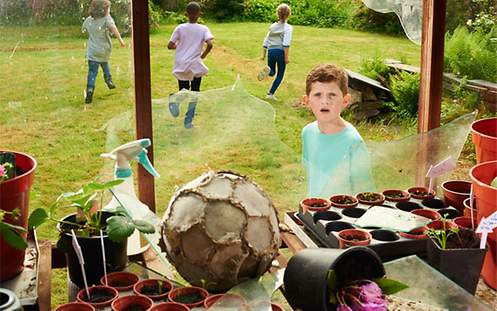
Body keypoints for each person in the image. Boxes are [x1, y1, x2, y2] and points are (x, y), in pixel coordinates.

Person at [302, 64, 375, 197]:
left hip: (342, 214)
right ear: (307, 101)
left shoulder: (353, 142)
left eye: (332, 95)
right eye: (318, 95)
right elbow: (312, 176)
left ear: (345, 101)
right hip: (315, 210)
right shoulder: (307, 133)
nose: (325, 101)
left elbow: (365, 192)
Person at [167, 1, 214, 129]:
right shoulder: (203, 29)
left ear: (186, 14)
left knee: (183, 90)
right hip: (195, 64)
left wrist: (179, 46)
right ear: (200, 14)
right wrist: (203, 56)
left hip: (181, 64)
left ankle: (175, 99)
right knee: (195, 93)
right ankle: (188, 121)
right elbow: (210, 44)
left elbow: (170, 45)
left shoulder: (180, 28)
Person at [82, 0, 125, 104]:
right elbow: (113, 28)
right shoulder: (106, 19)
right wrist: (120, 40)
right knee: (104, 63)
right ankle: (109, 80)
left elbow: (83, 29)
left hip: (93, 50)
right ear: (104, 9)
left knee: (92, 72)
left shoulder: (88, 20)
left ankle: (90, 90)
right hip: (104, 49)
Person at [258, 3, 292, 100]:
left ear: (278, 14)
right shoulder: (288, 28)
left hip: (271, 51)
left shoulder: (272, 26)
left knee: (272, 72)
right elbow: (286, 44)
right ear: (289, 14)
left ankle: (267, 72)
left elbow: (266, 40)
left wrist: (263, 55)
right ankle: (270, 94)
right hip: (280, 52)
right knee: (280, 74)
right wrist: (286, 58)